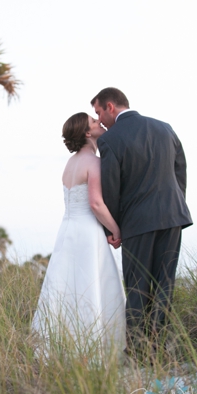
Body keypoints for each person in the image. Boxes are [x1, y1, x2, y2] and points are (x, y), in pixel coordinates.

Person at [91, 88, 192, 358]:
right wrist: (175, 204)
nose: (98, 119)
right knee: (164, 284)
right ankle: (159, 350)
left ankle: (137, 352)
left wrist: (112, 230)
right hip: (172, 217)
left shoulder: (110, 140)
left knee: (137, 287)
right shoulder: (165, 128)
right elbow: (179, 169)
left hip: (136, 223)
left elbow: (111, 188)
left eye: (99, 112)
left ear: (110, 106)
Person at [31, 113, 126, 358]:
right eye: (94, 122)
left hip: (68, 230)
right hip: (87, 231)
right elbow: (95, 203)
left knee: (67, 288)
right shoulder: (93, 163)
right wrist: (116, 229)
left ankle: (65, 346)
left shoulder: (70, 164)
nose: (99, 123)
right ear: (87, 133)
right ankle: (95, 349)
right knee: (91, 284)